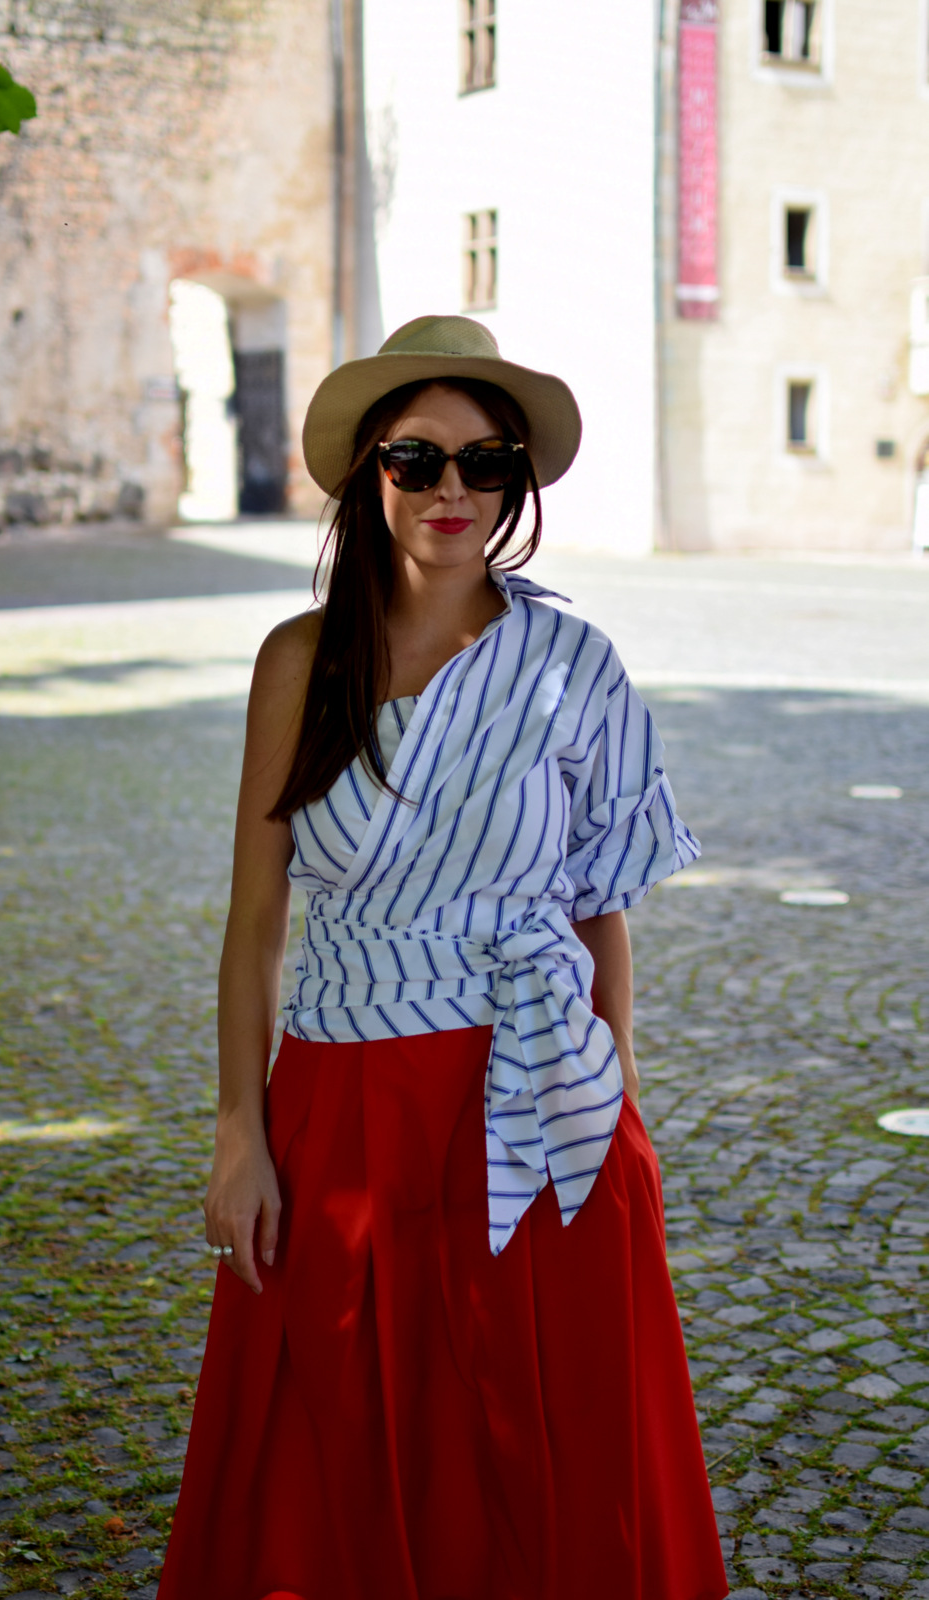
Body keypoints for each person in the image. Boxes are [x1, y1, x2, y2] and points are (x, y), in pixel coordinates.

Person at [157, 315, 728, 1600]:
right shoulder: (299, 661)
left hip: (537, 1098)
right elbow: (256, 921)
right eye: (415, 458)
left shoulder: (574, 666)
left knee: (539, 1448)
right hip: (343, 1103)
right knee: (336, 1440)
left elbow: (599, 906)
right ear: (370, 474)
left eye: (485, 461)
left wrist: (618, 1110)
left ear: (516, 482)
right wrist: (239, 1134)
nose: (449, 488)